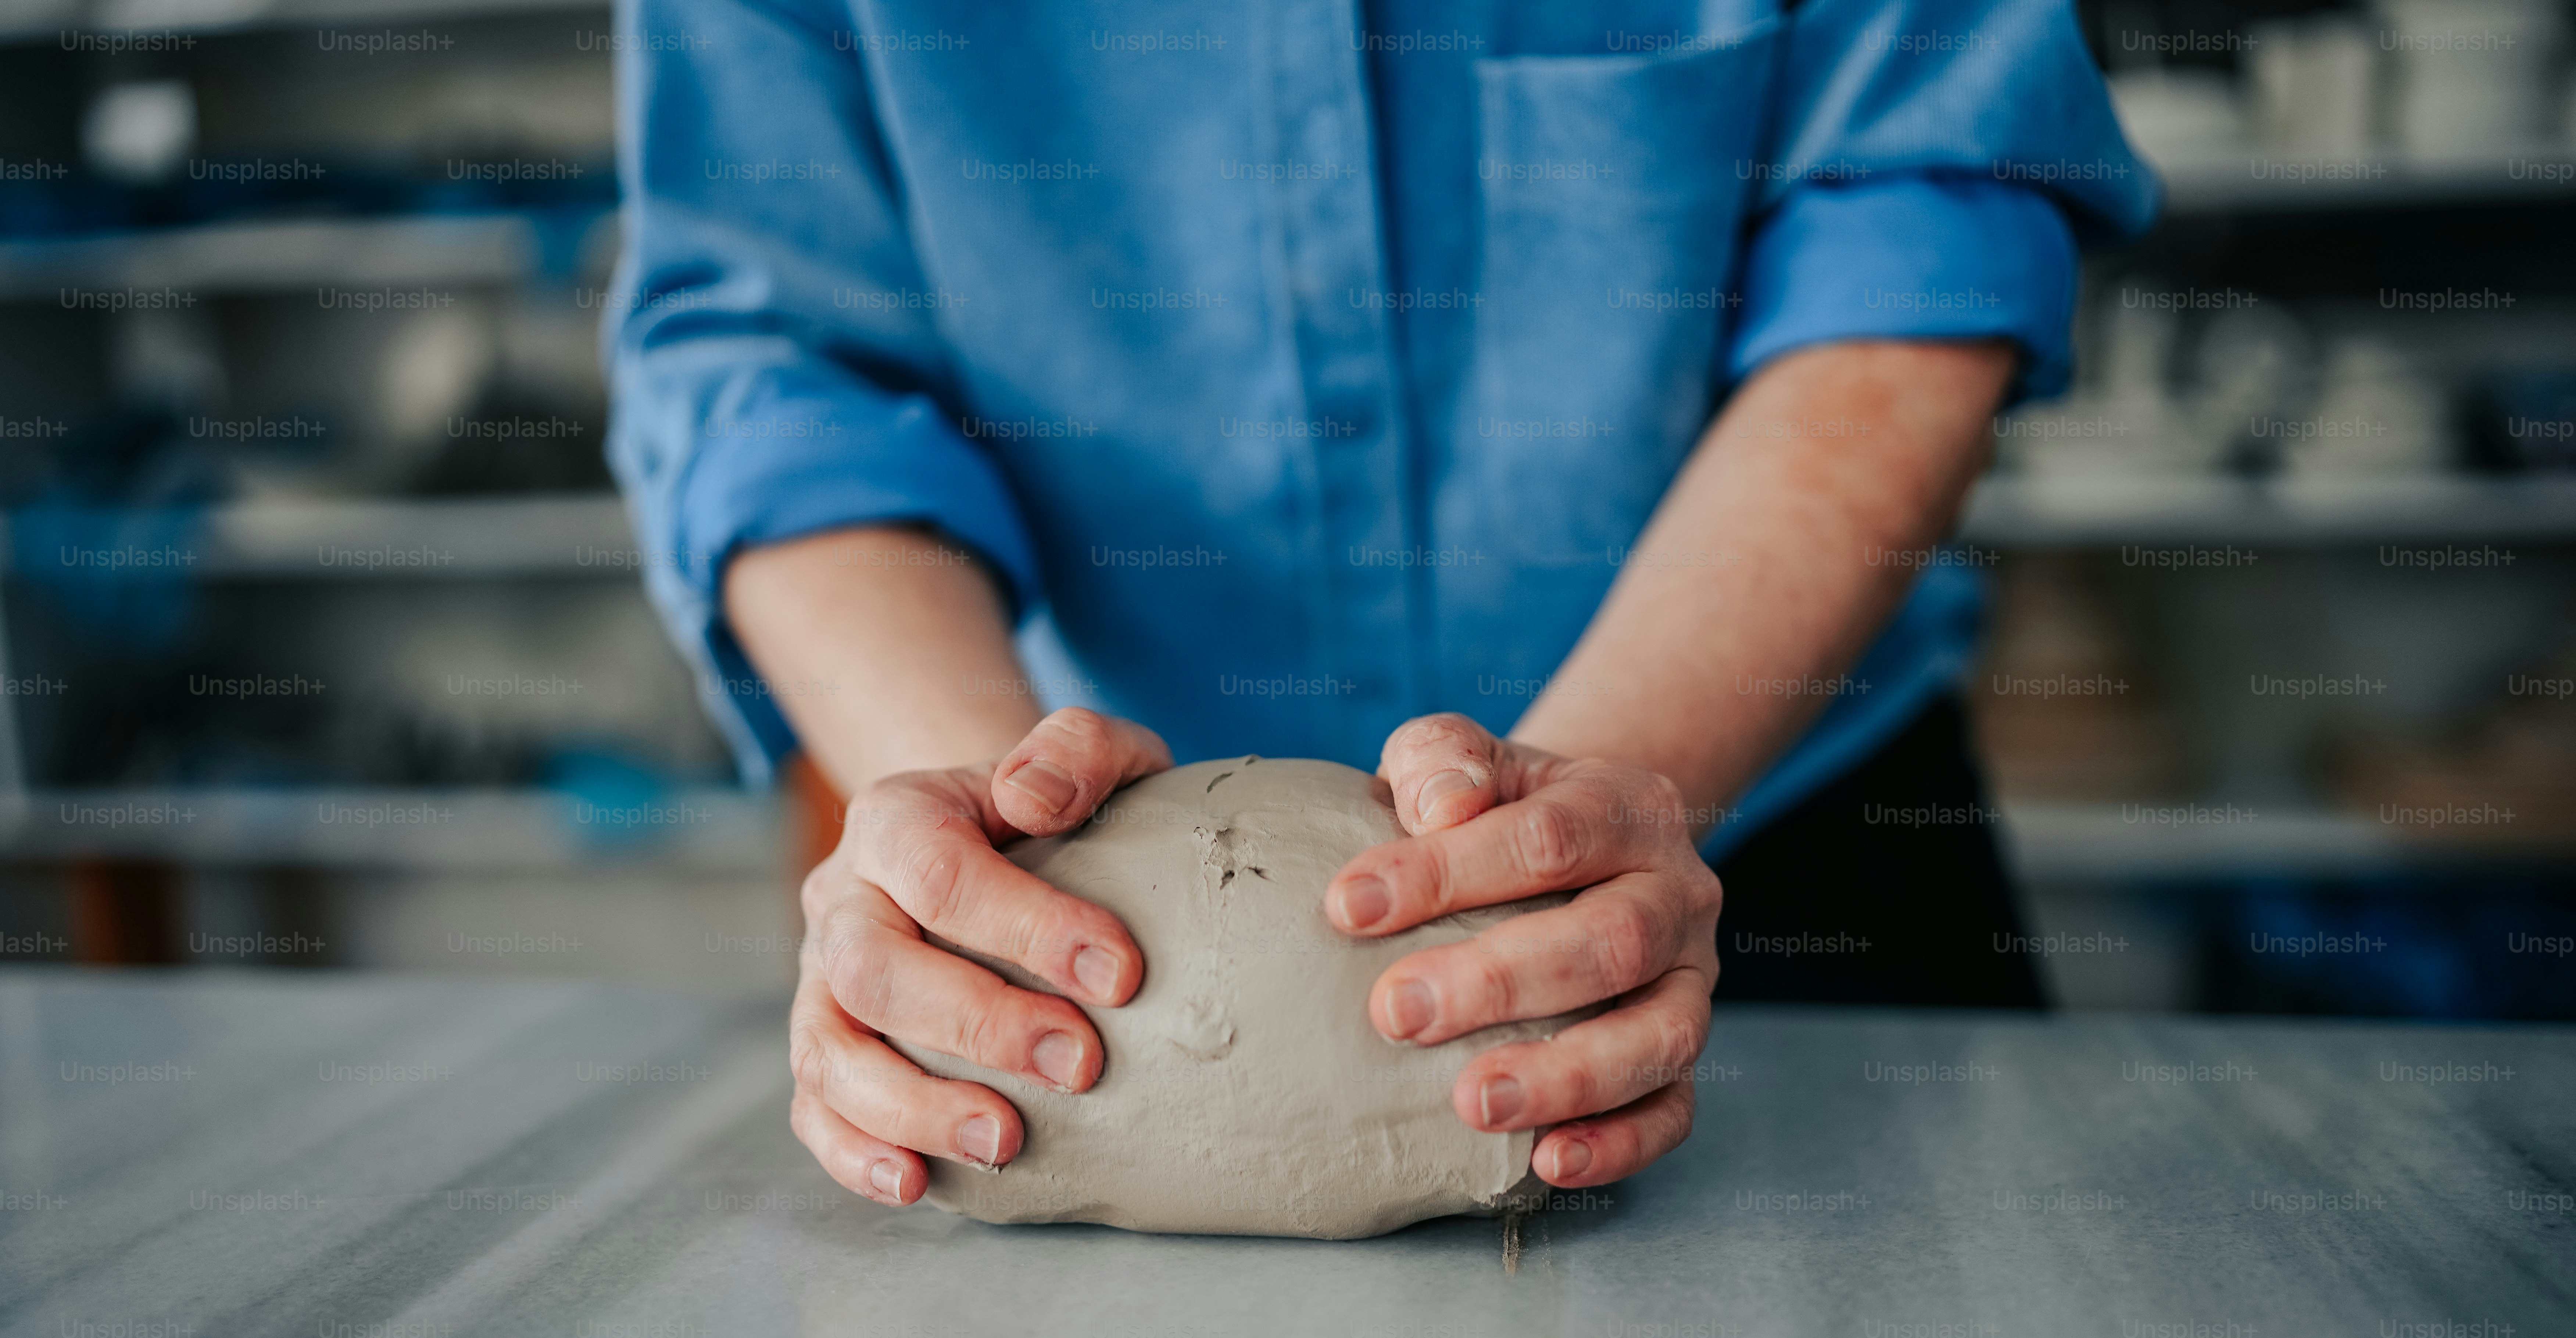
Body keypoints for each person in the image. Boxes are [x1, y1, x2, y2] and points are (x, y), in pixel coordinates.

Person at [605, 3, 2155, 1210]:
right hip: (1095, 935)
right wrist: (993, 866)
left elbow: (1922, 214)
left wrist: (1587, 836)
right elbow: (773, 353)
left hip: (1770, 835)